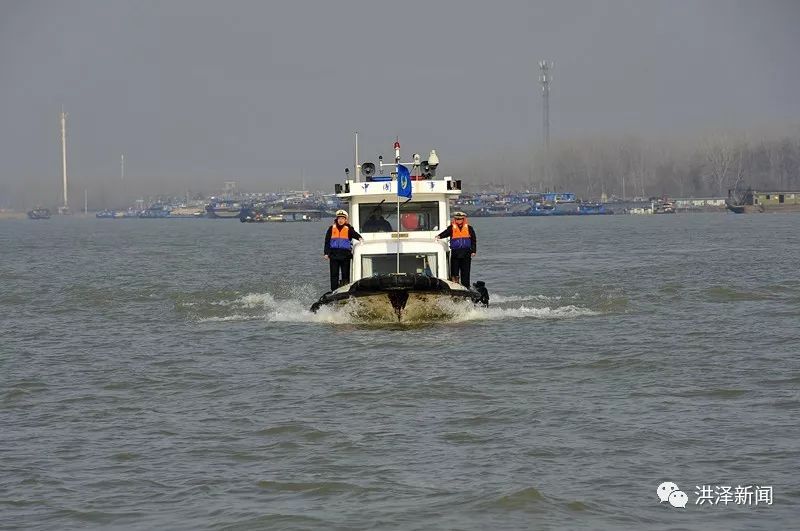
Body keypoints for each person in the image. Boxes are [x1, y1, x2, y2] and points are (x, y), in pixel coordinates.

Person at [324, 209, 363, 291]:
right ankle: (334, 290)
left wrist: (360, 238)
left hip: (345, 255)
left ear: (346, 220)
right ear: (336, 219)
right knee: (334, 274)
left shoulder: (349, 228)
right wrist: (326, 253)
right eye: (339, 218)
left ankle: (346, 289)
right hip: (334, 255)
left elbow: (354, 234)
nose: (340, 220)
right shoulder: (331, 229)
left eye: (342, 218)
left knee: (345, 274)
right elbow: (327, 241)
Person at [435, 211, 476, 287]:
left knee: (465, 272)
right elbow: (445, 233)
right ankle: (455, 285)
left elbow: (473, 240)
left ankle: (466, 286)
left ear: (463, 219)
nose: (458, 221)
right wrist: (439, 236)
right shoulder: (451, 228)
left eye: (460, 219)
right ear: (455, 219)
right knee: (454, 272)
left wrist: (473, 251)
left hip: (466, 253)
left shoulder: (469, 228)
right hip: (456, 253)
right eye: (457, 219)